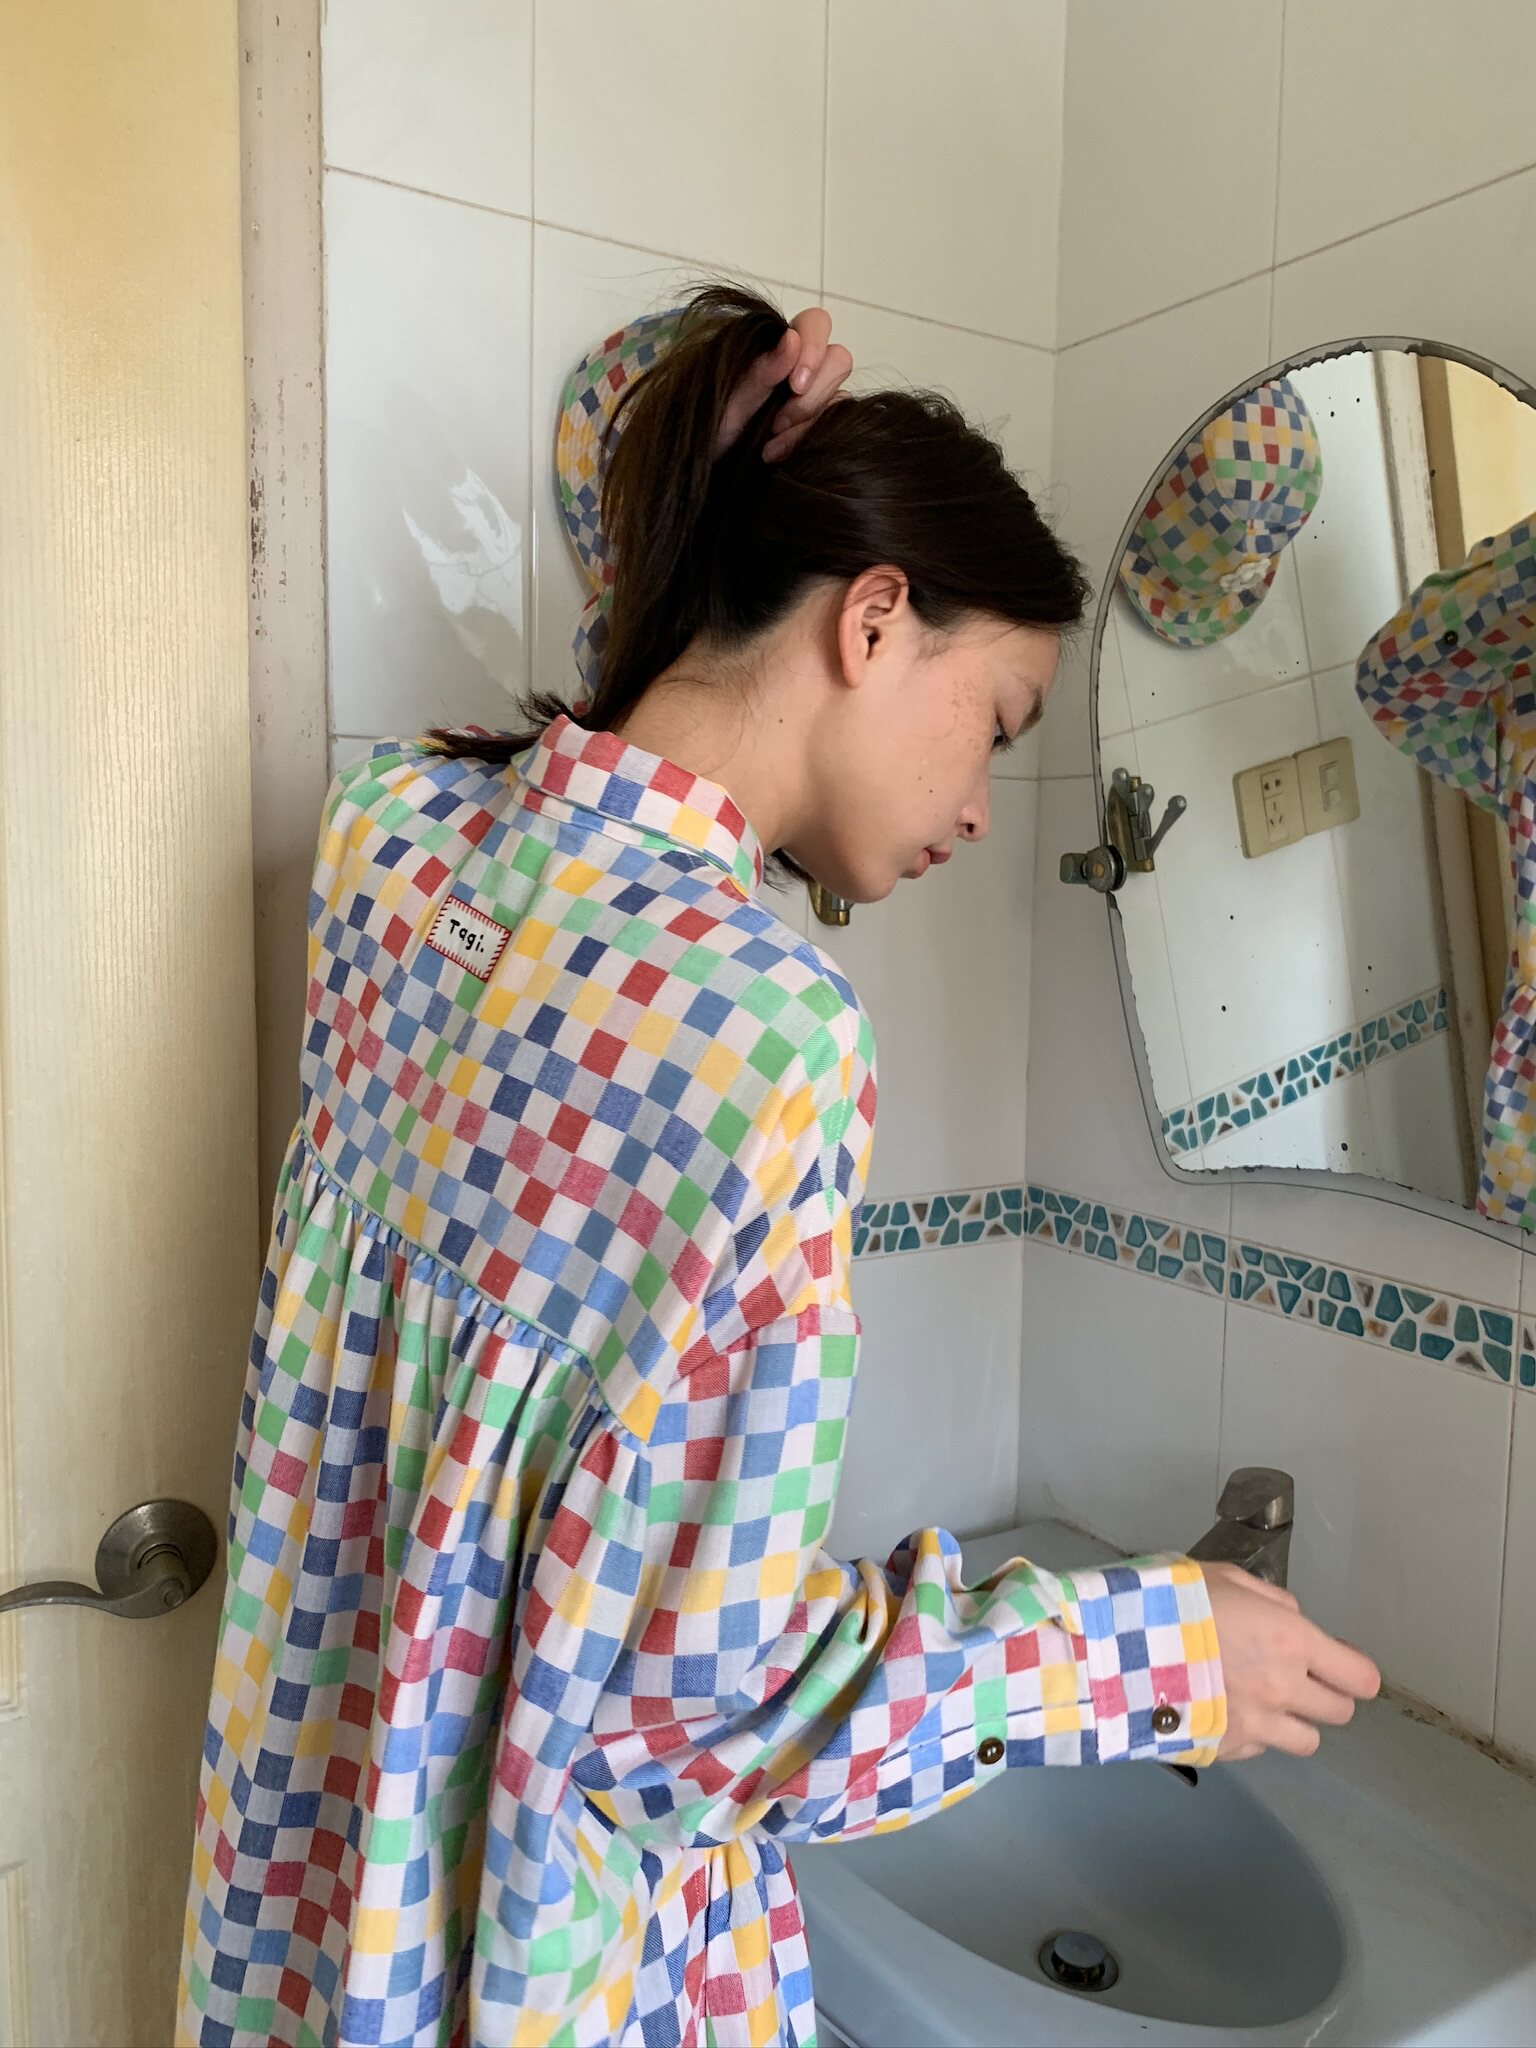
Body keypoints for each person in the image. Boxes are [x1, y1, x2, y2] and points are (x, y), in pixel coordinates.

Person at [177, 284, 1380, 2048]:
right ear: (873, 620)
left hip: (304, 1889)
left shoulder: (392, 841)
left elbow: (627, 723)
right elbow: (696, 1713)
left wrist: (701, 502)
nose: (980, 805)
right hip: (543, 1966)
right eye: (999, 720)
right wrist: (1154, 1652)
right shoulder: (765, 1029)